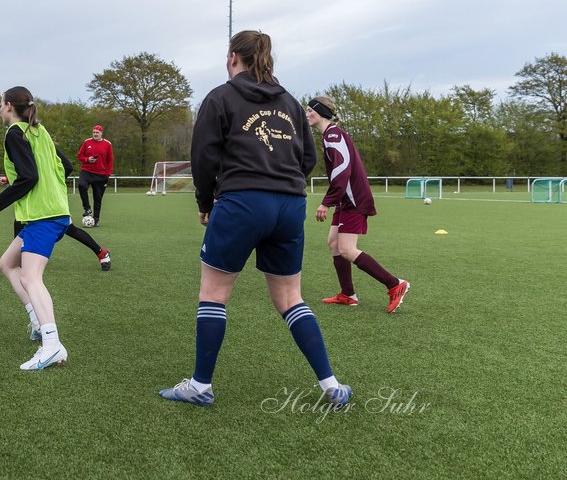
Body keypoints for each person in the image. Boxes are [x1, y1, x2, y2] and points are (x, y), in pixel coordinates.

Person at [158, 30, 351, 409]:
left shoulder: (220, 97)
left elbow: (203, 159)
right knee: (290, 297)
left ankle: (200, 386)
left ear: (233, 58)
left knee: (214, 294)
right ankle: (331, 386)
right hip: (289, 205)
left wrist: (205, 202)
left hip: (242, 203)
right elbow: (307, 159)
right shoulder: (292, 104)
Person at [0, 86, 71, 370]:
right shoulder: (40, 131)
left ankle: (52, 345)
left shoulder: (15, 133)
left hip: (43, 215)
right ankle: (37, 320)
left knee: (31, 277)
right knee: (8, 264)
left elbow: (29, 177)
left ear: (9, 106)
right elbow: (66, 166)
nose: (0, 109)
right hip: (54, 211)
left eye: (0, 104)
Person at [305, 94, 411, 312]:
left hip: (353, 199)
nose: (307, 114)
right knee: (334, 243)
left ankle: (395, 284)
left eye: (310, 110)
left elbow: (342, 169)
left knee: (346, 248)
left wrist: (326, 202)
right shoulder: (330, 135)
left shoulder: (333, 135)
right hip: (345, 199)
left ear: (321, 113)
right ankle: (348, 294)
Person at [0, 175, 112, 272]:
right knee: (19, 222)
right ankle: (19, 260)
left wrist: (53, 182)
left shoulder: (46, 151)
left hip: (51, 199)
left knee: (70, 229)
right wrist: (10, 178)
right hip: (34, 198)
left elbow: (66, 166)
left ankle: (102, 253)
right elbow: (28, 172)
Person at [76, 124, 114, 226]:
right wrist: (87, 159)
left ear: (101, 133)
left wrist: (108, 174)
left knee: (98, 198)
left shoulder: (107, 144)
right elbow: (79, 155)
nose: (95, 134)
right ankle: (87, 208)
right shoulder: (87, 142)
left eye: (97, 132)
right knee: (81, 185)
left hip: (101, 175)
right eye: (94, 132)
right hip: (87, 171)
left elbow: (110, 160)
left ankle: (96, 219)